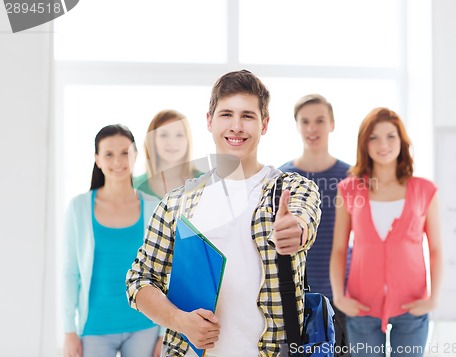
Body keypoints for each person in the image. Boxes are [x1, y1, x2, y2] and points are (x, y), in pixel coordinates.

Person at [126, 70, 321, 356]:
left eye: (248, 116)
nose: (236, 126)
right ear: (210, 121)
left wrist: (295, 232)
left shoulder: (291, 189)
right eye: (227, 114)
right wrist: (181, 321)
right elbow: (139, 280)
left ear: (264, 123)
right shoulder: (177, 203)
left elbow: (303, 218)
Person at [330, 108, 443, 357]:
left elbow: (435, 249)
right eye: (374, 137)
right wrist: (339, 297)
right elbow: (339, 248)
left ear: (402, 141)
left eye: (391, 136)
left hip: (412, 305)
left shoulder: (425, 190)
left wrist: (434, 299)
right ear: (364, 143)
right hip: (362, 306)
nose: (383, 144)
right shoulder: (348, 190)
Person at [62, 124, 163, 357]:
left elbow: (164, 272)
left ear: (135, 155)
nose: (118, 161)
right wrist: (69, 332)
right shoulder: (79, 207)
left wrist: (163, 333)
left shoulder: (153, 205)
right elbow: (70, 272)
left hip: (145, 326)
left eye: (125, 153)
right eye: (109, 154)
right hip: (95, 327)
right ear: (97, 159)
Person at [279, 94, 351, 338]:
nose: (312, 128)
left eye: (320, 120)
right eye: (305, 121)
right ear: (297, 125)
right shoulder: (282, 178)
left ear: (332, 124)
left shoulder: (351, 177)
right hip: (297, 296)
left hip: (345, 295)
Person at [134, 109, 202, 199]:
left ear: (188, 140)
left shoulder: (205, 183)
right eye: (164, 135)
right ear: (152, 140)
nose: (172, 142)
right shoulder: (136, 186)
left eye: (179, 135)